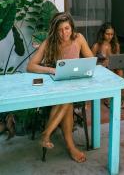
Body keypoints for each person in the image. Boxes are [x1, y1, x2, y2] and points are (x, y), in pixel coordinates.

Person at [27, 12, 93, 163]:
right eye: (60, 30)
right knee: (67, 100)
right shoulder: (50, 42)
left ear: (72, 27)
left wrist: (85, 67)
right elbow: (30, 66)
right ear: (55, 31)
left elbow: (90, 59)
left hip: (75, 84)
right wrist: (52, 70)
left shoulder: (79, 39)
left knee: (67, 97)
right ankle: (71, 147)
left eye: (67, 28)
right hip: (56, 86)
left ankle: (46, 134)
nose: (64, 33)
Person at [91, 22, 124, 108]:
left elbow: (118, 61)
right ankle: (108, 98)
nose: (110, 36)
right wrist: (101, 64)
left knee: (120, 71)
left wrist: (111, 62)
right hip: (100, 69)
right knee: (109, 71)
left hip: (112, 67)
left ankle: (117, 97)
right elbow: (90, 62)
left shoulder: (116, 45)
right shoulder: (97, 46)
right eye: (107, 34)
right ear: (103, 33)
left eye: (112, 34)